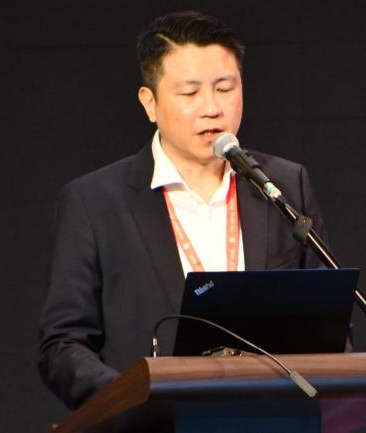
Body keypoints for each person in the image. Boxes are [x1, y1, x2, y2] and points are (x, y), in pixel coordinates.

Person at [38, 11, 328, 412]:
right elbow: (63, 345)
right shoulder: (94, 202)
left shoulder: (283, 185)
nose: (212, 108)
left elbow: (328, 322)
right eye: (190, 93)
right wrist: (136, 400)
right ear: (150, 103)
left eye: (225, 88)